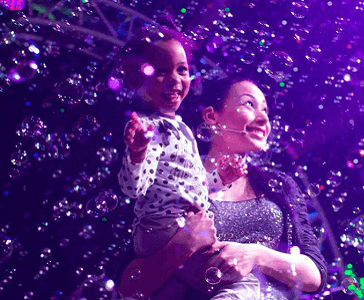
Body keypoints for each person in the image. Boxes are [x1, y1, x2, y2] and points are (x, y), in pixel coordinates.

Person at [119, 77, 328, 300]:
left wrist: (255, 255)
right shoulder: (172, 178)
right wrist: (184, 245)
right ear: (211, 116)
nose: (263, 118)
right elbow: (129, 286)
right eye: (249, 104)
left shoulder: (281, 186)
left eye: (265, 110)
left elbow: (315, 276)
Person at [116, 26, 259, 300]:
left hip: (178, 226)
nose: (174, 79)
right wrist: (137, 153)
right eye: (160, 71)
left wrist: (220, 178)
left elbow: (193, 186)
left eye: (181, 70)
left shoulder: (179, 128)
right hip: (164, 230)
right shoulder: (148, 128)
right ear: (137, 81)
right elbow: (133, 188)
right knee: (242, 284)